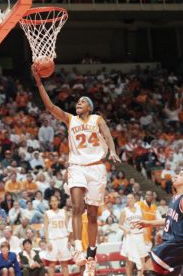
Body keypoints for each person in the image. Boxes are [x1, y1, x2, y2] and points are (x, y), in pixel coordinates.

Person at [33, 64, 120, 275]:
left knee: (92, 215)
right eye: (77, 102)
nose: (77, 104)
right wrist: (38, 82)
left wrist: (113, 150)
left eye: (82, 102)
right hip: (77, 167)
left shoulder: (96, 119)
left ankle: (91, 254)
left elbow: (107, 134)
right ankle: (78, 249)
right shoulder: (70, 120)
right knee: (77, 207)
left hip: (96, 169)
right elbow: (51, 107)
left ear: (89, 107)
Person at [134, 169, 183, 276]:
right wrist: (148, 223)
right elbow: (169, 220)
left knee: (147, 269)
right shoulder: (175, 198)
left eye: (180, 175)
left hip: (176, 244)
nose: (175, 176)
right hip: (172, 244)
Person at [119, 194, 147, 276]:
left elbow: (145, 222)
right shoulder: (124, 211)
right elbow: (120, 224)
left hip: (140, 236)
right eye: (128, 198)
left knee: (142, 259)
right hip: (130, 237)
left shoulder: (140, 209)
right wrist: (125, 229)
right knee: (129, 261)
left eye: (131, 198)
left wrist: (145, 233)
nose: (129, 199)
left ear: (134, 199)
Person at [44, 195, 71, 276]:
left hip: (63, 239)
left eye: (55, 200)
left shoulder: (64, 211)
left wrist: (69, 240)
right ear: (50, 203)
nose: (54, 202)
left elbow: (68, 227)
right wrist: (47, 242)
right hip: (53, 240)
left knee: (65, 264)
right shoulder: (47, 213)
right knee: (52, 264)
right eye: (52, 201)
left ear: (58, 201)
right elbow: (45, 229)